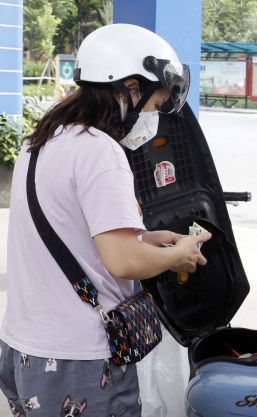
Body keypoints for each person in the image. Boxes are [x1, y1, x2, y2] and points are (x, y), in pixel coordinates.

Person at [0, 24, 209, 416]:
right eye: (155, 102)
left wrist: (145, 237)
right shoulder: (101, 151)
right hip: (78, 358)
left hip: (24, 348)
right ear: (130, 86)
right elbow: (122, 261)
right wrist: (177, 254)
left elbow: (73, 230)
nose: (155, 115)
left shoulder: (44, 138)